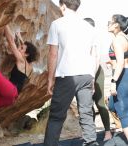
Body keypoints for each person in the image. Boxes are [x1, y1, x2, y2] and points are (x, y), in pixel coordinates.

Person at [44, 0, 99, 145]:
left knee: (56, 117)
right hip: (86, 75)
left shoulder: (57, 24)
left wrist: (50, 79)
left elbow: (53, 54)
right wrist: (92, 77)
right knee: (86, 114)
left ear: (62, 6)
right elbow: (93, 55)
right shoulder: (89, 27)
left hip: (67, 76)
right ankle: (91, 143)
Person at [84, 17, 112, 141]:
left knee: (100, 104)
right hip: (84, 74)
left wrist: (92, 79)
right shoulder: (79, 40)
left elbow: (96, 59)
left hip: (96, 73)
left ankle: (107, 131)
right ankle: (91, 132)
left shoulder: (95, 39)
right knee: (87, 106)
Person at [107, 14, 128, 140]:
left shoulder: (117, 40)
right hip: (125, 74)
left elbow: (120, 62)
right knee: (112, 105)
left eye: (110, 21)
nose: (108, 23)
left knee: (123, 113)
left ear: (116, 25)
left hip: (121, 78)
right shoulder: (125, 38)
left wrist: (114, 81)